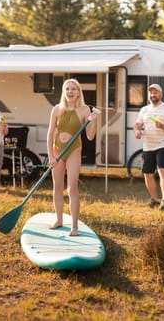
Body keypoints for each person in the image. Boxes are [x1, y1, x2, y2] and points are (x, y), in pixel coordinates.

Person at [47, 78, 100, 236]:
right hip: (58, 150)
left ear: (78, 93)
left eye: (73, 89)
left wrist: (94, 120)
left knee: (72, 187)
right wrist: (50, 155)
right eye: (67, 89)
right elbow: (50, 134)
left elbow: (90, 136)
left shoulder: (85, 110)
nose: (70, 91)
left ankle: (74, 226)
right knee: (57, 187)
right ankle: (59, 220)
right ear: (64, 92)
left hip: (74, 150)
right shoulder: (57, 109)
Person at [134, 83, 164, 211]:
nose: (153, 95)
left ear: (161, 94)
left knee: (162, 170)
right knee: (147, 174)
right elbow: (137, 124)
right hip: (148, 146)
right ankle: (154, 199)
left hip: (163, 145)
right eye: (151, 93)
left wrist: (162, 126)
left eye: (155, 92)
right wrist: (136, 131)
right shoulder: (144, 110)